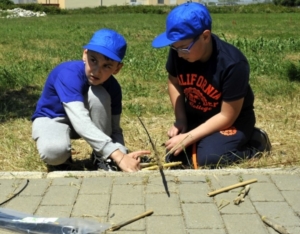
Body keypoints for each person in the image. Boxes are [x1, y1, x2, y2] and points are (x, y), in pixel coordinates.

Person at [151, 2, 271, 169]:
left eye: (184, 48)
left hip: (232, 121)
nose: (178, 53)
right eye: (175, 47)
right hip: (198, 116)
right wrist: (181, 119)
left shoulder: (233, 64)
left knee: (208, 159)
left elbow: (227, 116)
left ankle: (255, 144)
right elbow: (174, 82)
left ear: (205, 36)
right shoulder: (179, 51)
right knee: (175, 158)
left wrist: (189, 137)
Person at [32, 28, 150, 172]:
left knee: (98, 93)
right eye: (93, 60)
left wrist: (122, 152)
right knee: (54, 153)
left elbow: (114, 129)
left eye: (107, 66)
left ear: (117, 68)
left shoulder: (113, 87)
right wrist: (118, 156)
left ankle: (101, 156)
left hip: (85, 121)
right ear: (84, 54)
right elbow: (80, 120)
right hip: (53, 118)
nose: (96, 70)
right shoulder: (68, 74)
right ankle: (63, 157)